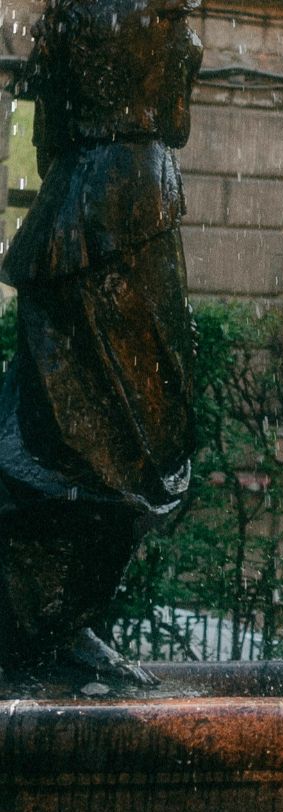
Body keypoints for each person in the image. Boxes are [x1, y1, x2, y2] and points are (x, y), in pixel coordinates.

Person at [0, 0, 203, 684]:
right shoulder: (160, 11)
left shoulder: (69, 15)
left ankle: (48, 626)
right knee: (121, 447)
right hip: (131, 198)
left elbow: (47, 127)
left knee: (78, 442)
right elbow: (175, 114)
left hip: (73, 204)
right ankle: (46, 629)